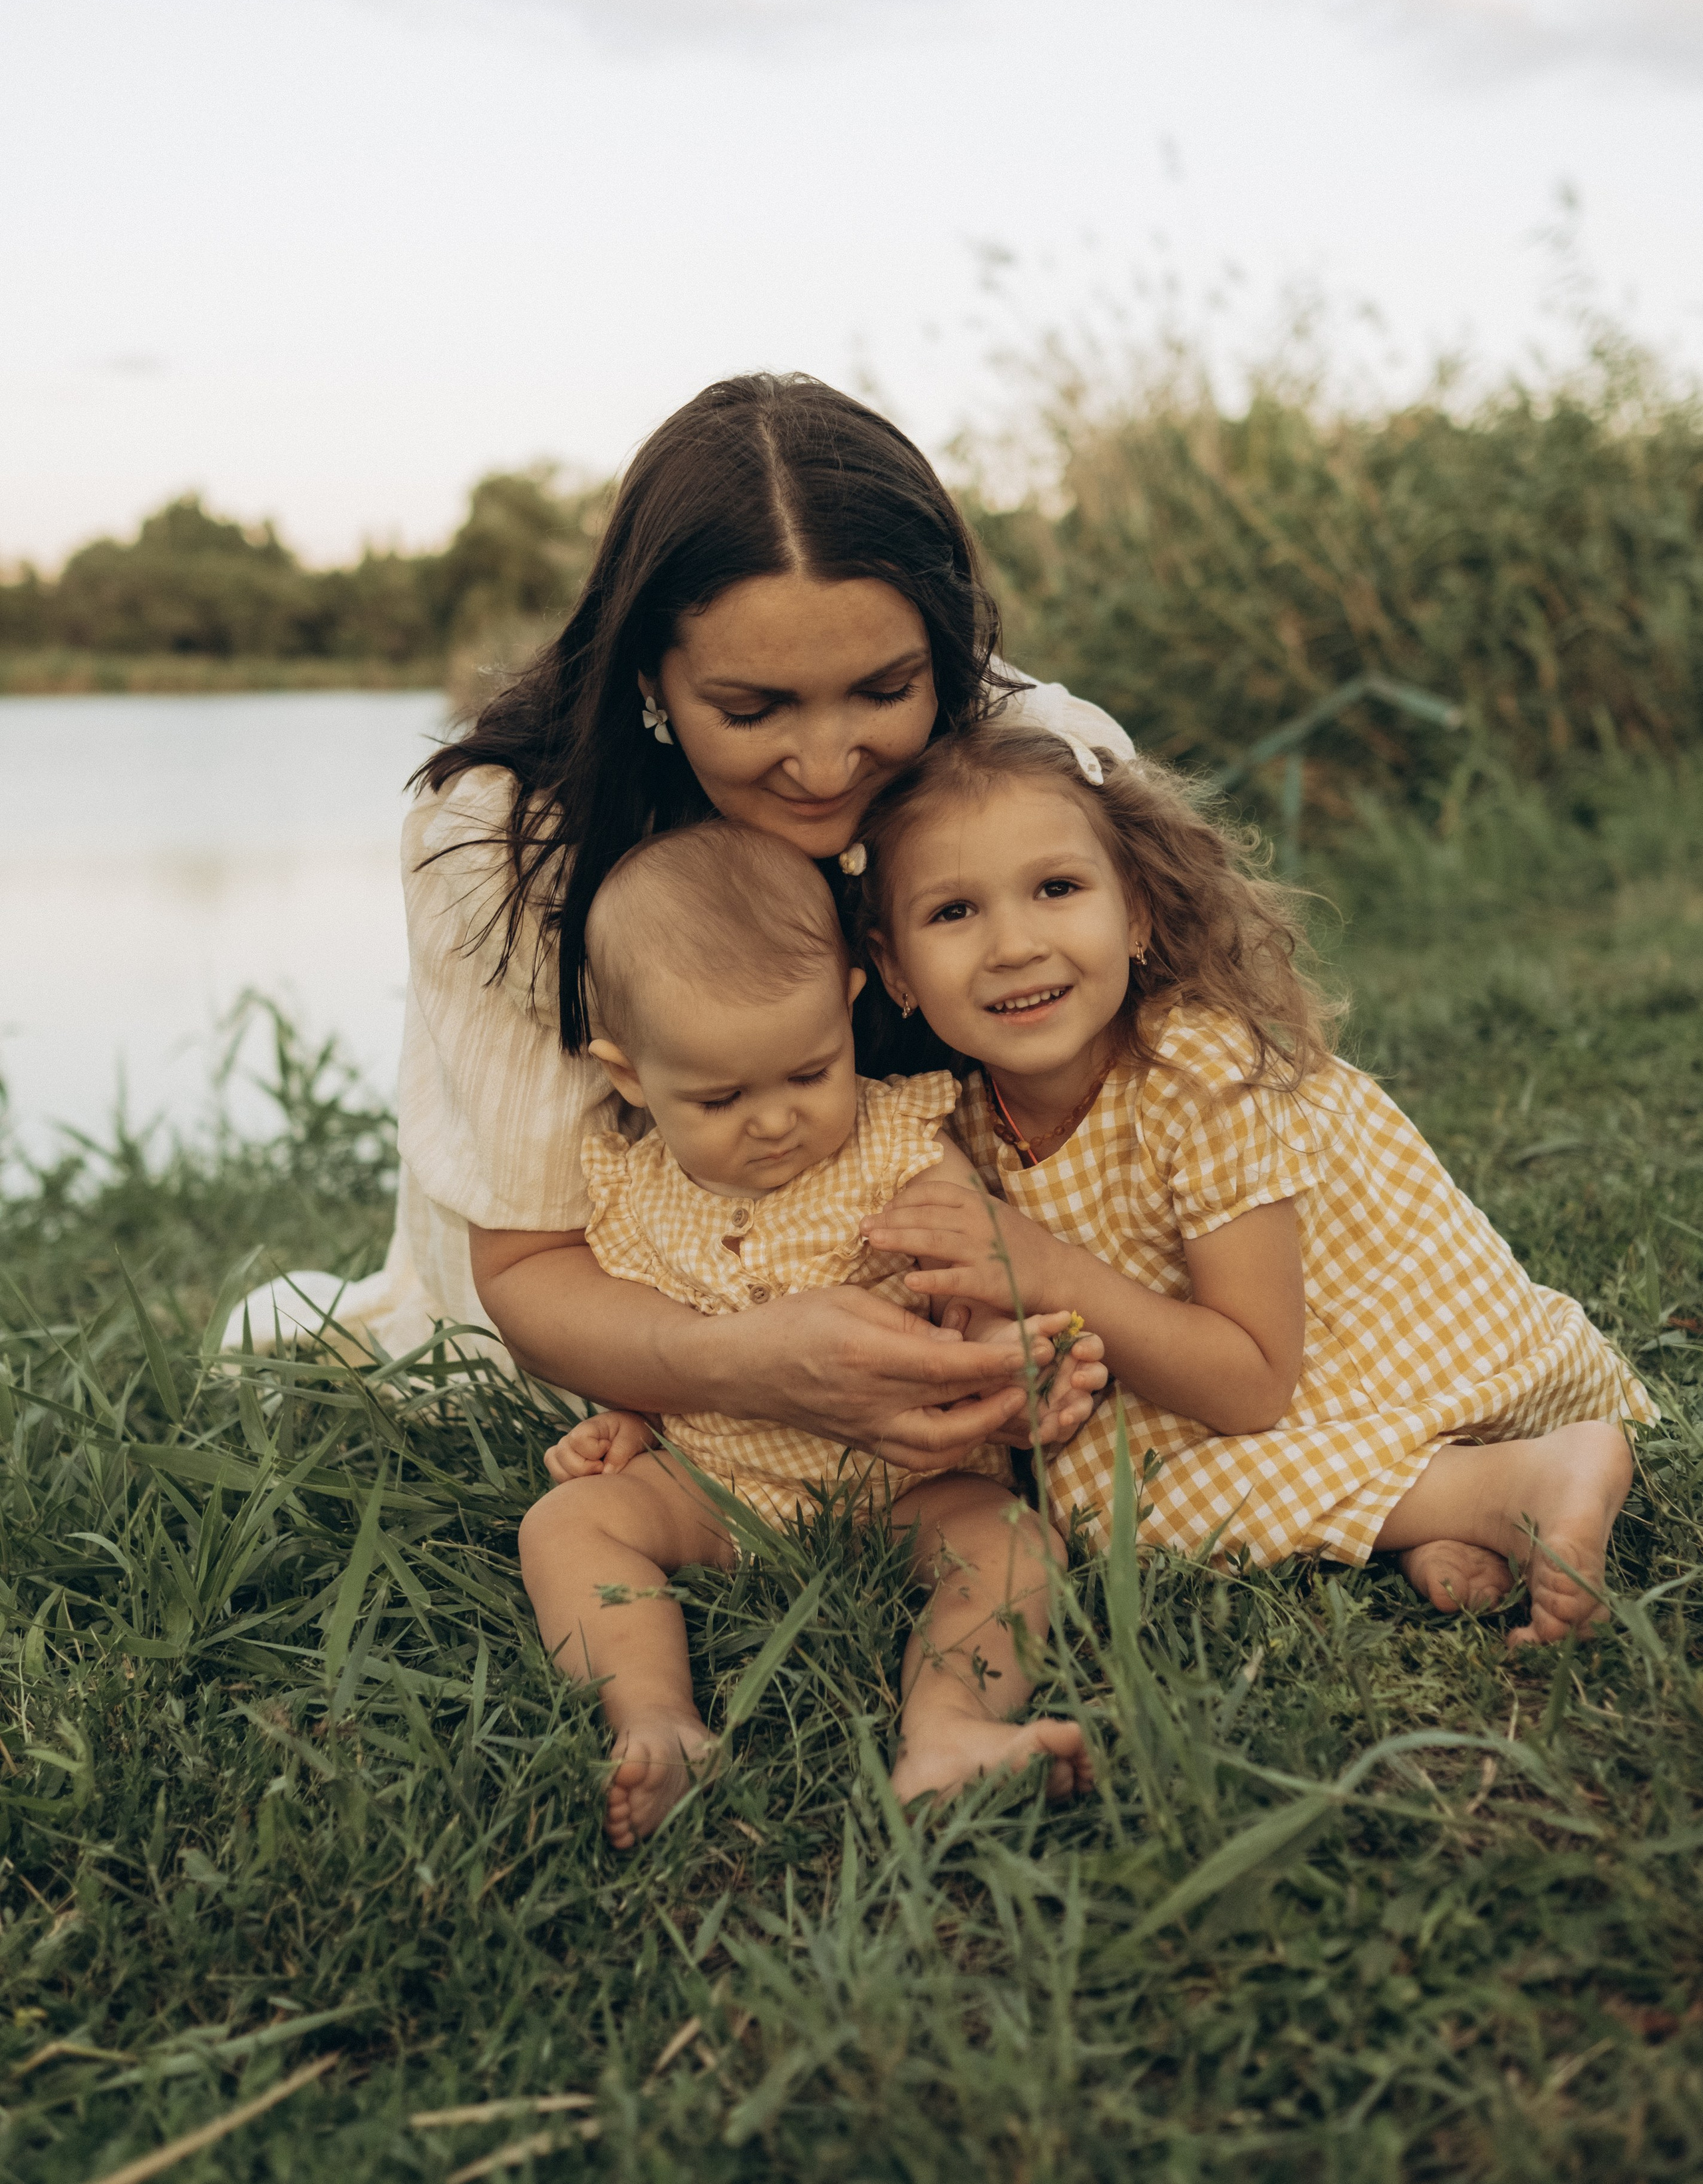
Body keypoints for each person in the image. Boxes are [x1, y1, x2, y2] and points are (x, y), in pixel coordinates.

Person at [232, 374, 1130, 1478]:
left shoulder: (1039, 771)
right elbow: (534, 1265)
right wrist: (744, 1363)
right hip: (617, 1318)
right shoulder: (510, 843)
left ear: (941, 653)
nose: (825, 761)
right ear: (651, 676)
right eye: (752, 711)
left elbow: (1183, 1116)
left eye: (884, 690)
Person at [852, 721, 1656, 1647]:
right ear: (893, 967)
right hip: (1200, 1364)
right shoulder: (953, 1116)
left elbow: (1256, 1384)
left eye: (1058, 888)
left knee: (1128, 1508)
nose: (1013, 945)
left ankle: (1523, 1479)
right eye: (954, 912)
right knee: (1087, 1498)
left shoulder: (1201, 1068)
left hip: (1368, 1347)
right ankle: (1428, 1514)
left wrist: (1049, 1273)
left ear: (1139, 912)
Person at [518, 819, 1103, 1845]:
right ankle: (658, 1718)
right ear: (629, 1076)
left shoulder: (901, 1150)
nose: (775, 1118)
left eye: (807, 1072)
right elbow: (643, 1324)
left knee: (1014, 1545)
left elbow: (984, 1282)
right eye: (720, 1096)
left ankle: (951, 1730)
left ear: (846, 1006)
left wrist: (1005, 1356)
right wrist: (626, 1421)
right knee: (564, 1525)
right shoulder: (630, 1187)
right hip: (712, 1485)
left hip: (907, 1482)